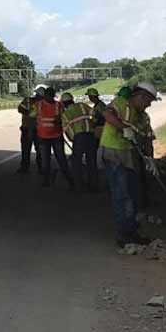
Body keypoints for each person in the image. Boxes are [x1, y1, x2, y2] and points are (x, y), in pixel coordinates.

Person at [99, 82, 158, 246]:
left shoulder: (144, 117)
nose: (149, 105)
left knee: (132, 193)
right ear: (141, 96)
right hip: (113, 152)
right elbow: (107, 114)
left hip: (129, 155)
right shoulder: (120, 103)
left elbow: (147, 139)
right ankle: (124, 235)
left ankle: (130, 229)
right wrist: (123, 128)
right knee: (122, 194)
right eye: (148, 101)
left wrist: (150, 159)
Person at [34, 86, 74, 190]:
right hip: (43, 137)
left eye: (52, 96)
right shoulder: (38, 105)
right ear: (45, 96)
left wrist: (59, 121)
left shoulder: (58, 105)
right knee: (45, 160)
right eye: (48, 96)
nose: (50, 98)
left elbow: (65, 118)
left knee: (61, 159)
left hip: (56, 137)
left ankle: (69, 179)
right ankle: (46, 180)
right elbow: (31, 115)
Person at [61, 91, 99, 192]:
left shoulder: (65, 114)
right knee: (91, 161)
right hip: (91, 136)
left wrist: (73, 140)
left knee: (76, 162)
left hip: (79, 138)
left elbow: (67, 130)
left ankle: (78, 186)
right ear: (72, 100)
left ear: (63, 103)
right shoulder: (83, 105)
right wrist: (93, 124)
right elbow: (95, 115)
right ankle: (94, 186)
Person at [15, 92, 40, 174]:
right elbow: (20, 108)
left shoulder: (43, 103)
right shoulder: (28, 101)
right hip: (28, 129)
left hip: (38, 130)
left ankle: (41, 167)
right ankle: (25, 167)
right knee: (26, 150)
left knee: (39, 150)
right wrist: (29, 114)